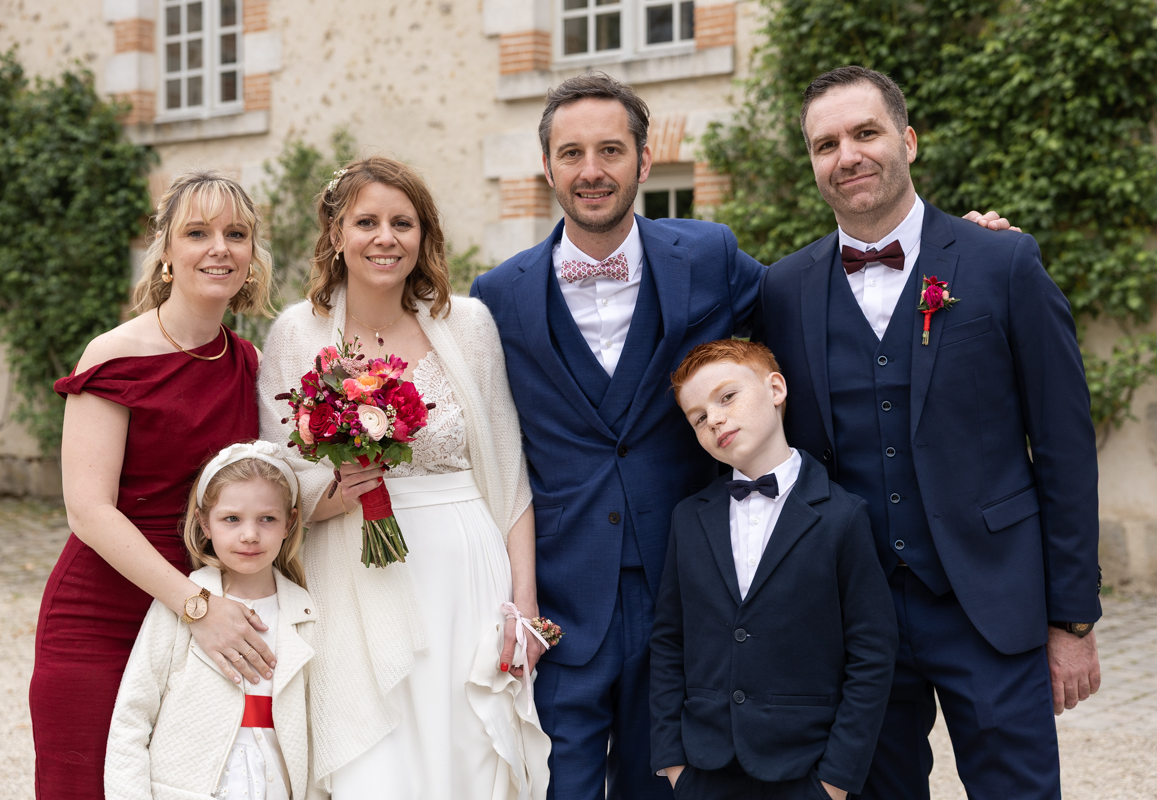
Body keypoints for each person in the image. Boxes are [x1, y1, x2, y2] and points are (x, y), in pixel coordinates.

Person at [470, 71, 1014, 800]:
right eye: (571, 153)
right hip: (564, 595)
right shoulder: (496, 295)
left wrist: (956, 252)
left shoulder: (707, 256)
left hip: (693, 588)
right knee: (555, 783)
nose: (591, 170)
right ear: (547, 166)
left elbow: (817, 298)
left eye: (610, 150)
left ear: (644, 159)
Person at [753, 66, 1101, 800]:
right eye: (825, 144)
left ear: (907, 141)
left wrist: (1072, 620)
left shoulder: (1003, 262)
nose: (847, 155)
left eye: (866, 133)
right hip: (854, 617)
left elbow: (1065, 449)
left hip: (991, 602)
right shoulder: (781, 290)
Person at [257, 156, 550, 799]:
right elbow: (278, 488)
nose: (385, 238)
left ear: (424, 235)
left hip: (465, 575)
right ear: (336, 234)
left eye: (403, 223)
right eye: (366, 222)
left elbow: (509, 474)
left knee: (466, 755)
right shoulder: (295, 334)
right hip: (351, 575)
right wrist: (341, 490)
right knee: (375, 764)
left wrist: (523, 606)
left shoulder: (469, 325)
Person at [31, 172, 282, 799]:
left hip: (200, 622)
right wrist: (198, 608)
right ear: (167, 251)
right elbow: (89, 511)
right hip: (106, 615)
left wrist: (357, 476)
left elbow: (265, 495)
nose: (219, 248)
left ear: (252, 255)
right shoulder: (113, 355)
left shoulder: (249, 364)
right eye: (197, 233)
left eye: (236, 234)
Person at [651, 339, 897, 800]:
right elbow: (669, 640)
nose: (714, 419)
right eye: (698, 418)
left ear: (776, 388)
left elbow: (872, 652)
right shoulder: (688, 518)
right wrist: (673, 763)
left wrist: (835, 782)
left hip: (805, 768)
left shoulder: (843, 515)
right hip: (705, 769)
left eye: (727, 397)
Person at [105, 441, 322, 800]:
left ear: (290, 522)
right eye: (231, 519)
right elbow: (132, 716)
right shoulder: (178, 605)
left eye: (267, 518)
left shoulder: (305, 613)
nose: (250, 535)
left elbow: (317, 728)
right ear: (205, 522)